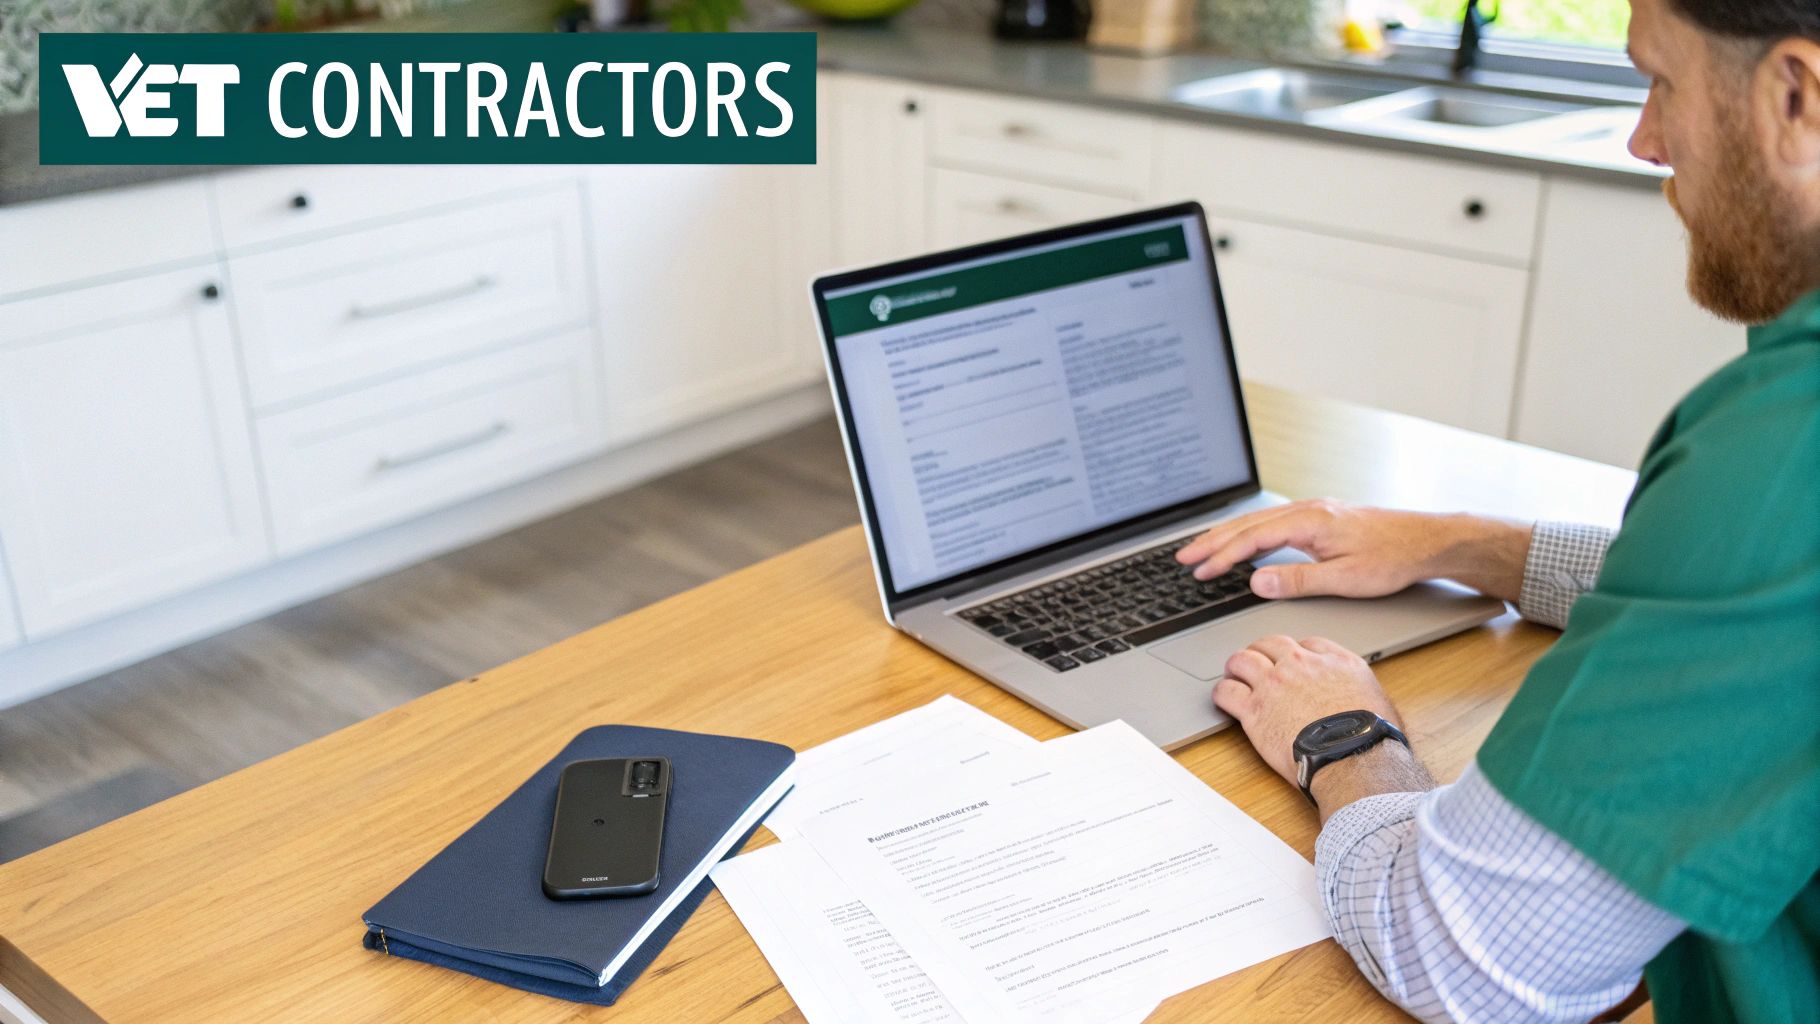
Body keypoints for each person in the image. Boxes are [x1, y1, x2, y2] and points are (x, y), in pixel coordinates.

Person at [1174, 0, 1820, 1021]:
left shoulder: (1787, 445)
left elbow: (1467, 964)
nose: (1641, 139)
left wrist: (1344, 737)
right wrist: (1460, 547)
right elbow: (1769, 609)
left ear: (1794, 95)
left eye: (1659, 82)